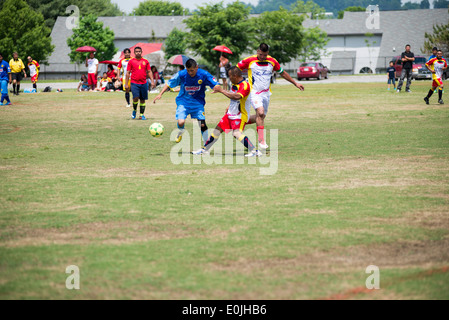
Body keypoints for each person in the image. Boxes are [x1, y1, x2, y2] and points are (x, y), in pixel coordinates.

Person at [237, 43, 304, 149]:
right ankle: (261, 140)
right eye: (261, 54)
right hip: (254, 92)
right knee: (260, 112)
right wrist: (240, 85)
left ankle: (239, 121)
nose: (263, 57)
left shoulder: (272, 61)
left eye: (265, 55)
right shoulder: (249, 60)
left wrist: (295, 83)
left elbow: (282, 73)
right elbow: (235, 70)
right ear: (258, 51)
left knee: (261, 117)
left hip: (266, 94)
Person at [192, 66, 262, 157]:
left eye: (230, 76)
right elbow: (234, 98)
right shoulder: (234, 84)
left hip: (240, 115)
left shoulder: (245, 85)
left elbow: (237, 96)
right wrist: (229, 106)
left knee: (236, 133)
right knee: (217, 130)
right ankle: (205, 150)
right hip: (230, 114)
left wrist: (221, 90)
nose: (229, 78)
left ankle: (255, 151)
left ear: (235, 75)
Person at [153, 58, 220, 144]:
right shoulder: (181, 74)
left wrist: (217, 89)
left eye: (192, 70)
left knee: (202, 124)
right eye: (188, 70)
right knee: (181, 122)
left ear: (197, 67)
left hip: (197, 102)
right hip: (183, 102)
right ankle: (180, 132)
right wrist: (160, 94)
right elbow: (169, 83)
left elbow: (216, 84)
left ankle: (206, 145)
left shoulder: (204, 74)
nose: (190, 73)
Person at [125, 46, 154, 120]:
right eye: (136, 51)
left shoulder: (145, 61)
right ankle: (134, 110)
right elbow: (128, 72)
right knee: (135, 98)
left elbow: (149, 71)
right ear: (134, 53)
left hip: (144, 83)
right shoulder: (131, 61)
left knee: (142, 99)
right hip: (134, 83)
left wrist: (152, 81)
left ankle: (141, 115)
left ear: (141, 52)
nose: (138, 52)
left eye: (139, 51)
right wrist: (126, 84)